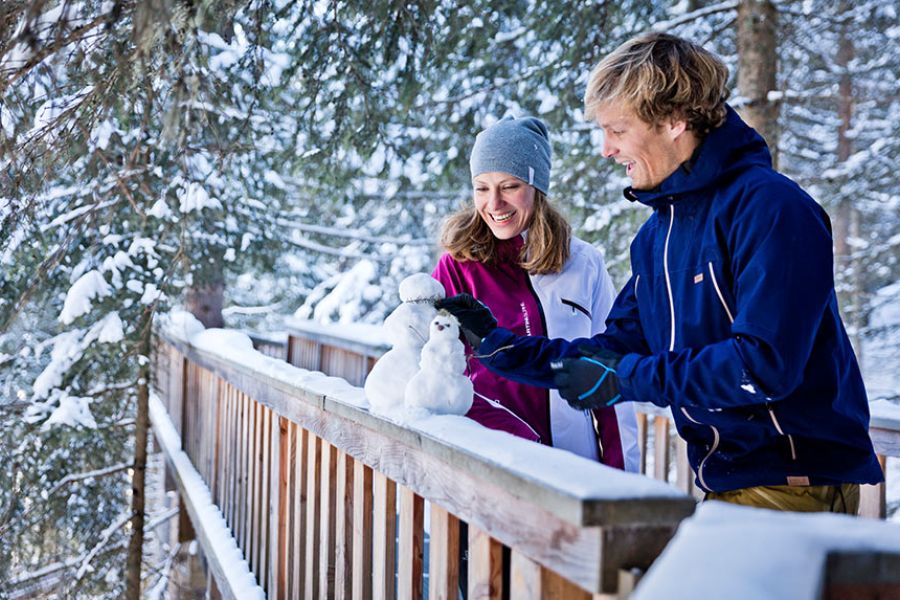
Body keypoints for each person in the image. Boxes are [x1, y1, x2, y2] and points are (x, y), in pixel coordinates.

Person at [437, 33, 884, 514]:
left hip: (795, 482)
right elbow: (615, 348)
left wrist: (624, 378)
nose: (606, 149)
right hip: (724, 480)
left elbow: (763, 366)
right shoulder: (659, 237)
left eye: (618, 130)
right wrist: (503, 348)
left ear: (674, 120)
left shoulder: (771, 209)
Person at [432, 115, 640, 472]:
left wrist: (625, 479)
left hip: (572, 467)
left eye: (509, 186)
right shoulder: (458, 266)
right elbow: (434, 373)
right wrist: (518, 439)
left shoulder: (583, 263)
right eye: (482, 188)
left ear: (536, 187)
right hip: (489, 464)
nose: (494, 204)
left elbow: (611, 372)